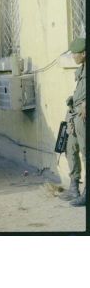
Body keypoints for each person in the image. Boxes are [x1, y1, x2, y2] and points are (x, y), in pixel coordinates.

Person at [59, 37, 86, 207]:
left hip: (83, 117)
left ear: (84, 53)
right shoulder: (82, 68)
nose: (73, 57)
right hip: (75, 115)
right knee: (71, 149)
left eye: (75, 54)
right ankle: (74, 188)